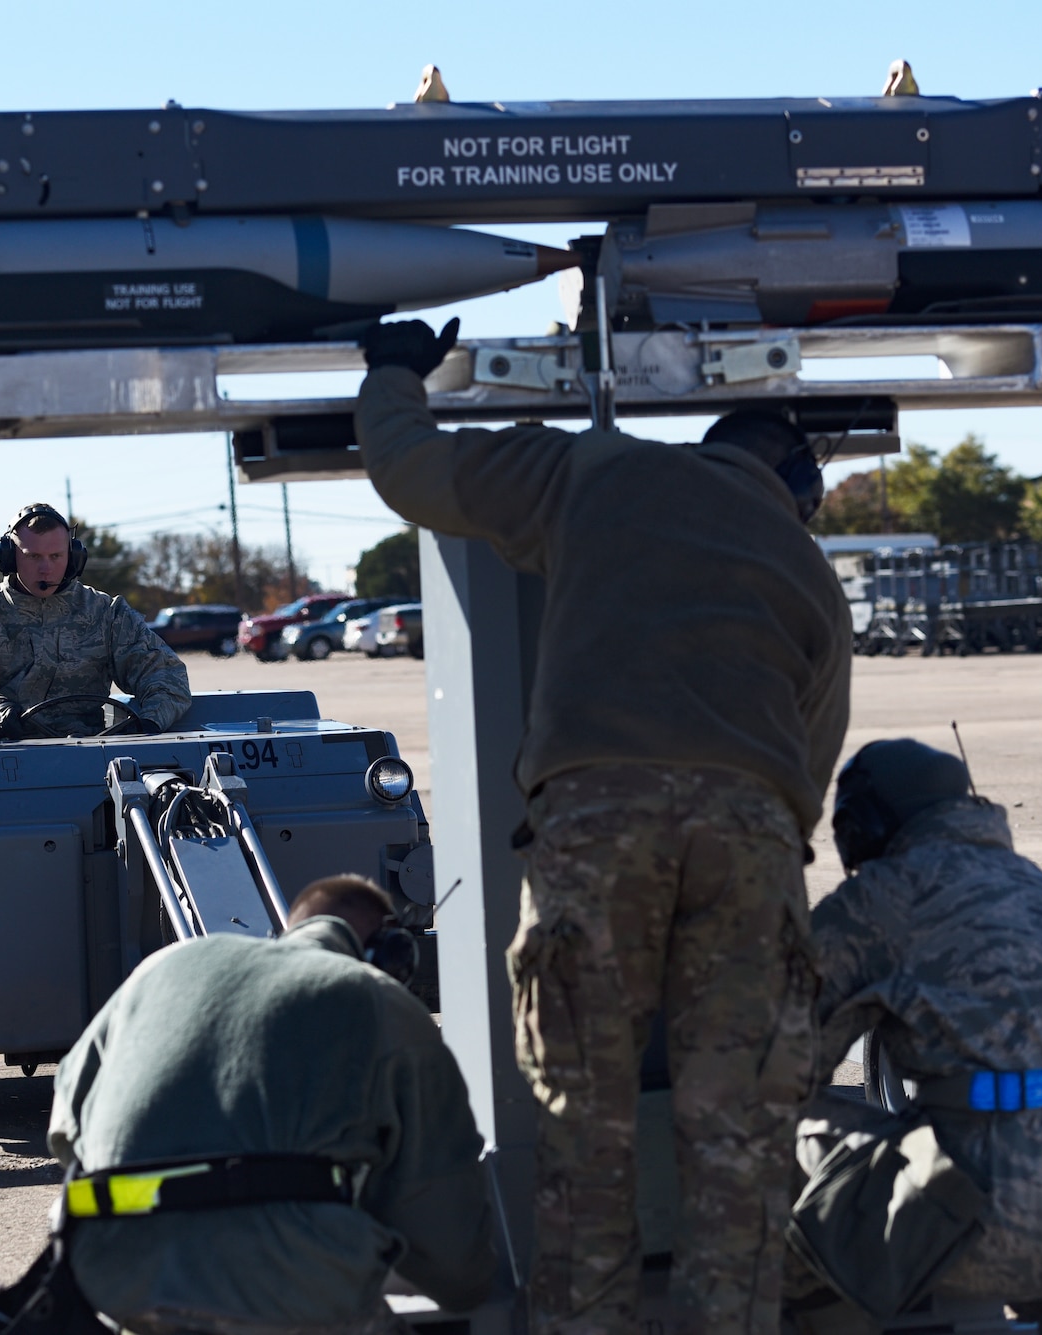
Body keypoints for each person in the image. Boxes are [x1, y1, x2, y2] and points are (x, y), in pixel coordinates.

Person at [354, 318, 852, 1335]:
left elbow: (409, 471)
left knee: (584, 1129)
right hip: (750, 829)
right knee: (739, 1139)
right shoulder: (804, 568)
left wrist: (392, 374)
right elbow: (811, 757)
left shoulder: (582, 468)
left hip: (596, 816)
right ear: (795, 485)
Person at [790, 740, 1042, 1335]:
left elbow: (783, 1062)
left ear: (862, 826)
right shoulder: (1037, 888)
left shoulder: (876, 902)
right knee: (1039, 1189)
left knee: (775, 1134)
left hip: (1003, 1216)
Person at [44, 874, 498, 1335]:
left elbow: (66, 1127)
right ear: (389, 950)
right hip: (289, 1288)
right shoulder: (378, 999)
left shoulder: (162, 967)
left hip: (111, 1276)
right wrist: (474, 1290)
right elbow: (446, 1237)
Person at [0, 503, 190, 741]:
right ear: (9, 558)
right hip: (6, 745)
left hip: (91, 746)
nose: (46, 569)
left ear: (74, 557)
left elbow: (166, 675)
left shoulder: (106, 613)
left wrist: (148, 724)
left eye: (56, 556)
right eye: (34, 557)